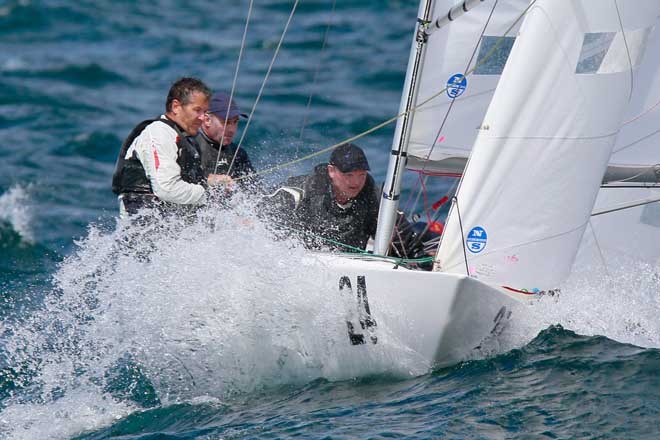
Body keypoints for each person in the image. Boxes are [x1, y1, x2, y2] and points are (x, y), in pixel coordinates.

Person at [266, 143, 423, 257]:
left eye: (361, 175)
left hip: (350, 270)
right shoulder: (300, 191)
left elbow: (405, 242)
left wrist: (420, 261)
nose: (356, 182)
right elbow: (264, 221)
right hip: (300, 262)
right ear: (331, 171)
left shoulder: (372, 197)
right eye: (349, 175)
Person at [112, 77, 226, 218]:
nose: (203, 118)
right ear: (176, 107)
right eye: (197, 110)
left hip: (170, 225)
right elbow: (167, 189)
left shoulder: (184, 138)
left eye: (205, 112)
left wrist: (208, 181)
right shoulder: (159, 133)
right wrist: (210, 194)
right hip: (144, 228)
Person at [195, 91, 259, 191]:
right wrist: (209, 179)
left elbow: (255, 190)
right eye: (226, 122)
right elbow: (176, 184)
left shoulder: (238, 154)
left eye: (235, 122)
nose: (232, 129)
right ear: (207, 120)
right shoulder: (190, 148)